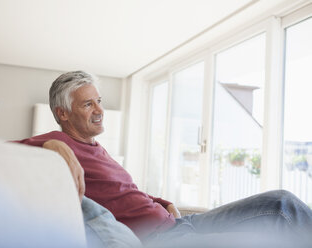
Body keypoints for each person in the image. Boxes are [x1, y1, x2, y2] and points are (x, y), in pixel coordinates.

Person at [17, 71, 312, 246]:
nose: (99, 109)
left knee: (281, 203)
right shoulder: (57, 142)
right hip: (163, 240)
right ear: (63, 114)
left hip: (181, 223)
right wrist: (53, 146)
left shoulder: (97, 149)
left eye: (99, 101)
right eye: (87, 104)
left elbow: (124, 194)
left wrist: (160, 202)